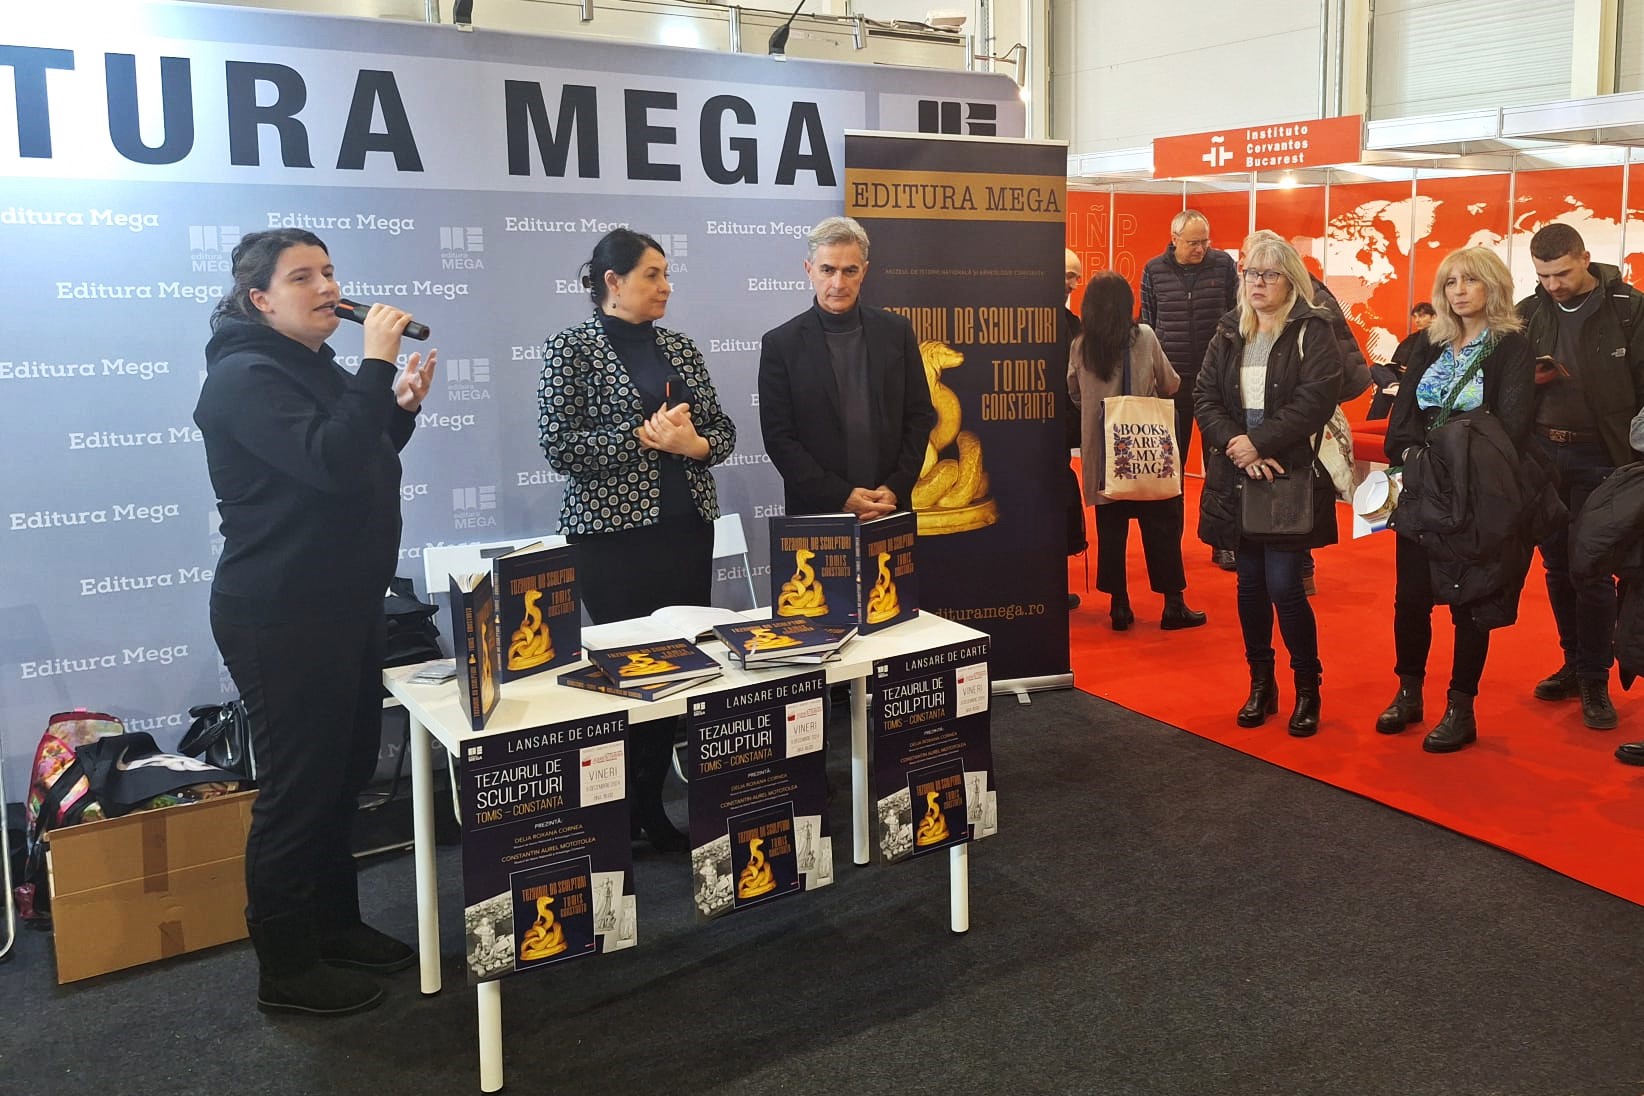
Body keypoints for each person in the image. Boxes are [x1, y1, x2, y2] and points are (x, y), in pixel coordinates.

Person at [195, 229, 436, 1017]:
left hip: (345, 602)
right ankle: (287, 966)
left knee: (344, 775)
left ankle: (335, 926)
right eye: (303, 277)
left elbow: (358, 456)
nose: (327, 287)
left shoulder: (316, 367)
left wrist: (397, 411)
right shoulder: (243, 377)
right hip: (282, 613)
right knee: (299, 790)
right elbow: (330, 463)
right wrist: (376, 366)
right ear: (260, 300)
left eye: (329, 272)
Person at [538, 227, 737, 851]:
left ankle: (650, 804)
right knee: (628, 676)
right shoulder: (571, 349)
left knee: (682, 670)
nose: (666, 286)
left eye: (667, 274)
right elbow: (560, 447)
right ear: (613, 282)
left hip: (686, 531)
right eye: (653, 274)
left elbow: (723, 431)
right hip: (612, 542)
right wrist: (642, 437)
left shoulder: (679, 346)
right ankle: (614, 816)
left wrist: (694, 445)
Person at [1376, 248, 1535, 752]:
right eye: (1450, 282)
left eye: (1470, 280)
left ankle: (1460, 707)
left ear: (1493, 286)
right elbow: (1402, 413)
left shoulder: (1511, 347)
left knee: (1469, 600)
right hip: (1422, 484)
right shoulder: (1429, 341)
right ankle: (1408, 692)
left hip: (1476, 489)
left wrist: (1452, 459)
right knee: (1411, 596)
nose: (1459, 291)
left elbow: (1511, 426)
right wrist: (1408, 455)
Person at [1195, 232, 1343, 736]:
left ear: (1291, 281)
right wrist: (1238, 445)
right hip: (1238, 474)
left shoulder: (1312, 330)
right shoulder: (1229, 330)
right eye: (1251, 273)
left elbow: (1315, 400)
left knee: (1285, 586)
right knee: (1250, 586)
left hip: (1288, 473)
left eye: (1269, 274)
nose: (1257, 283)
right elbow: (1205, 397)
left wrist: (1259, 443)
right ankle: (1261, 684)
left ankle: (1307, 688)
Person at [1517, 223, 1644, 729]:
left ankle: (1595, 676)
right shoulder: (1528, 313)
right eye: (1543, 276)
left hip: (1605, 456)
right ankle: (1573, 662)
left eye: (1563, 273)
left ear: (1586, 258)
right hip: (1543, 454)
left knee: (1590, 569)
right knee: (1555, 565)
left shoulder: (1629, 309)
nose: (1553, 285)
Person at [758, 216, 936, 519]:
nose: (838, 283)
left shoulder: (897, 332)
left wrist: (895, 486)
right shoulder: (781, 344)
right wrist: (840, 496)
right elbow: (779, 438)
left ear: (864, 271)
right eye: (827, 270)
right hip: (818, 513)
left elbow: (919, 416)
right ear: (809, 270)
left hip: (888, 507)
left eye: (849, 271)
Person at [1068, 272, 1206, 631]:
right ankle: (1173, 605)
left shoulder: (1081, 345)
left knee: (1111, 533)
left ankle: (1119, 606)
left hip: (1104, 455)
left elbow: (1074, 393)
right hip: (1146, 451)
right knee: (1162, 528)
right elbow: (1171, 382)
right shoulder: (1143, 337)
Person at [1140, 210, 1240, 569]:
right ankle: (1170, 544)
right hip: (1173, 383)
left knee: (1220, 466)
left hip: (1216, 382)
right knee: (1172, 467)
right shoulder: (1154, 270)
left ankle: (1222, 542)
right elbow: (1147, 325)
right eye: (1193, 242)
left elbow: (1236, 316)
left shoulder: (1223, 265)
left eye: (1204, 241)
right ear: (1174, 239)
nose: (1200, 248)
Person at [1061, 249, 1089, 609]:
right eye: (1068, 274)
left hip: (1063, 429)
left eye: (1076, 277)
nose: (1072, 283)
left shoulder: (1075, 324)